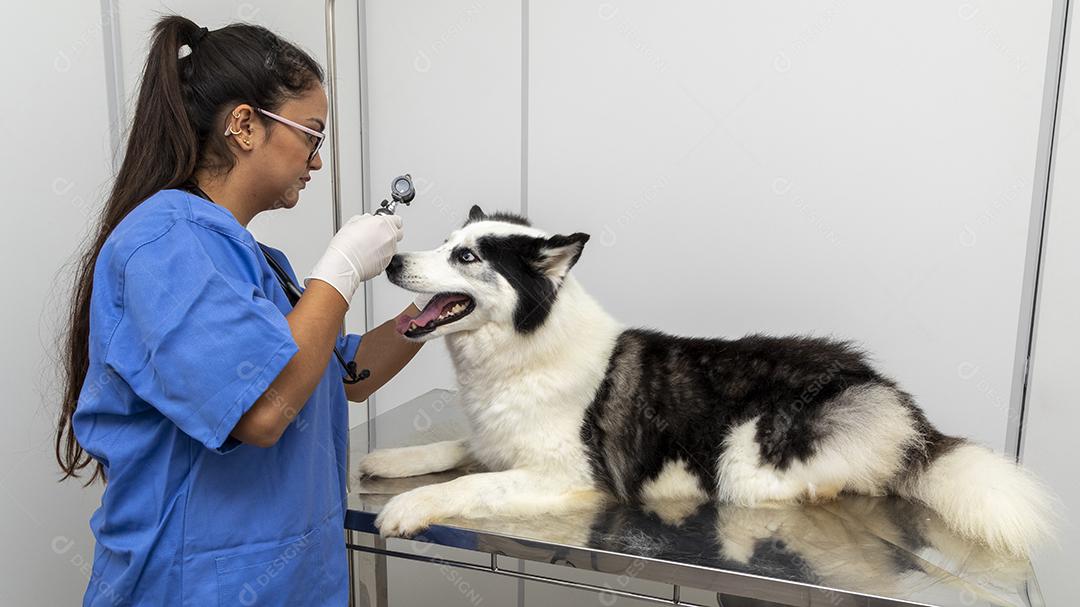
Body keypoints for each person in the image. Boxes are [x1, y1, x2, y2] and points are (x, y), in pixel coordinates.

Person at [54, 16, 427, 605]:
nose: (317, 161)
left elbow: (340, 373)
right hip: (190, 585)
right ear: (245, 126)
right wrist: (341, 268)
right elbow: (261, 410)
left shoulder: (251, 256)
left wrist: (437, 307)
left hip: (290, 581)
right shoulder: (162, 244)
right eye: (311, 135)